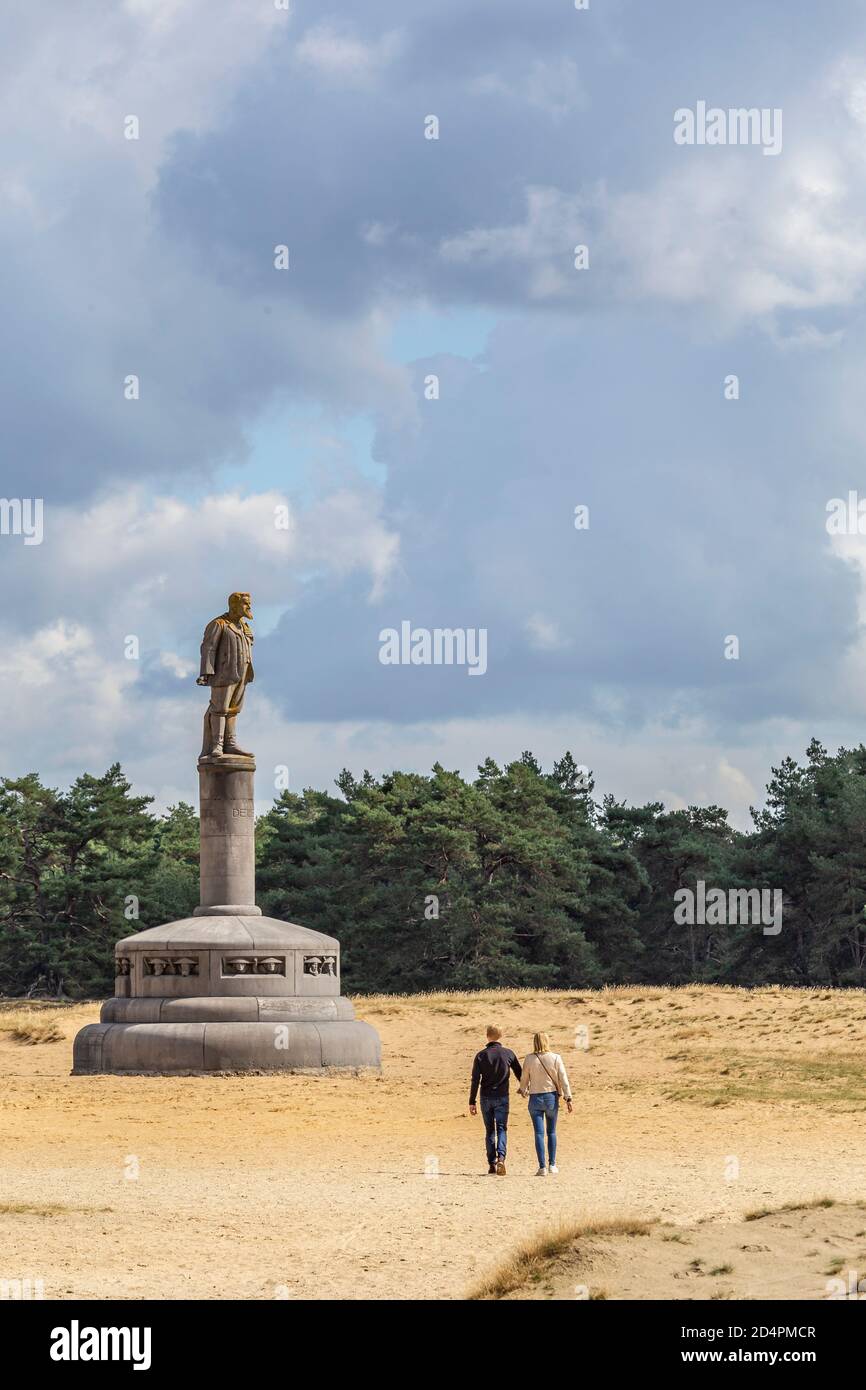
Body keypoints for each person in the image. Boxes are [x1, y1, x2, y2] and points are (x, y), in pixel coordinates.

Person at [469, 1025, 522, 1175]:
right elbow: (520, 1073)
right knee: (501, 1128)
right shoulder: (508, 1053)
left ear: (487, 1036)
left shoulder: (481, 1055)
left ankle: (492, 1163)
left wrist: (471, 1101)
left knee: (490, 1130)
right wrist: (524, 1088)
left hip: (486, 1097)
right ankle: (501, 1158)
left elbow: (475, 1080)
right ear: (501, 1036)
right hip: (502, 1097)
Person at [518, 1032, 573, 1176]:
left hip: (535, 1097)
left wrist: (523, 1090)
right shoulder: (556, 1058)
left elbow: (524, 1078)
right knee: (552, 1131)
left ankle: (542, 1167)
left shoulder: (529, 1059)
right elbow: (563, 1079)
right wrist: (568, 1097)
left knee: (539, 1133)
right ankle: (552, 1164)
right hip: (551, 1097)